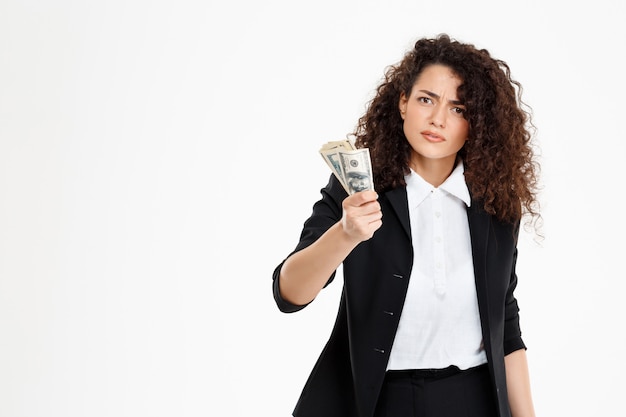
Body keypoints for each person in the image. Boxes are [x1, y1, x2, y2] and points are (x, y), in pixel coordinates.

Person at [272, 33, 541, 417]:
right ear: (403, 102)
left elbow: (505, 320)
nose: (437, 119)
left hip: (471, 398)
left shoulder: (495, 203)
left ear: (476, 123)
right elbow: (289, 293)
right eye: (426, 100)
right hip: (378, 399)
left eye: (459, 109)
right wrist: (344, 235)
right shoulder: (357, 188)